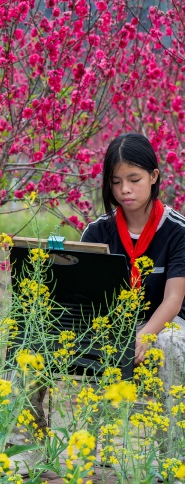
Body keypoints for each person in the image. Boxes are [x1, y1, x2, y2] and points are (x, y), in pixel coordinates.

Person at [81, 133, 185, 412]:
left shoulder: (177, 231)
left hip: (165, 324)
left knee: (170, 342)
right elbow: (88, 297)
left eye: (134, 179)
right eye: (116, 182)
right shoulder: (97, 232)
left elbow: (174, 300)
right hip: (113, 324)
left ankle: (172, 451)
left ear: (153, 176)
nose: (125, 189)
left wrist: (144, 335)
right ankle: (94, 453)